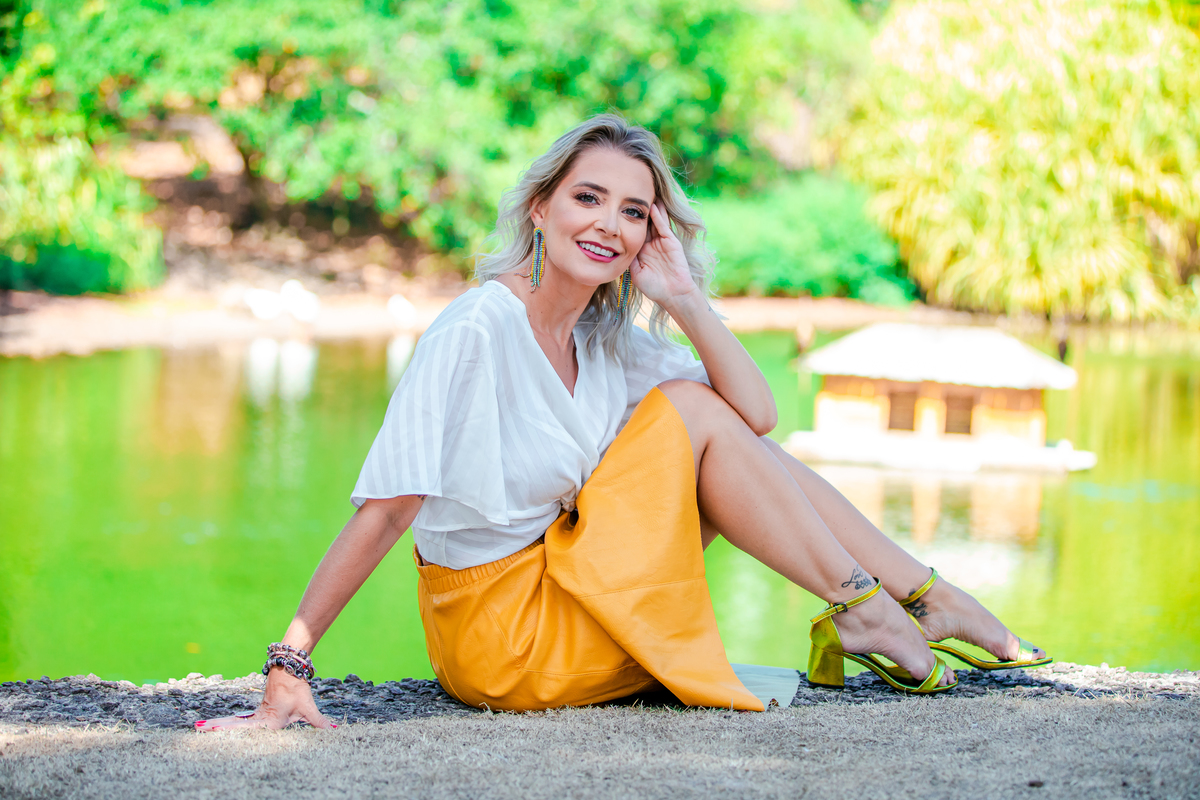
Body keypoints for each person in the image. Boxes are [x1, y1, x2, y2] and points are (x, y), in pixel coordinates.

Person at [196, 115, 1048, 731]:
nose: (608, 223)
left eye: (634, 212)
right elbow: (388, 508)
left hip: (578, 599)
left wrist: (681, 295)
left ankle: (924, 597)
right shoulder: (475, 329)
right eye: (588, 198)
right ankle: (868, 602)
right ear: (540, 208)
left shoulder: (607, 340)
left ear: (650, 235)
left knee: (702, 412)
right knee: (687, 412)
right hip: (504, 639)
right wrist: (289, 662)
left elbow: (755, 418)